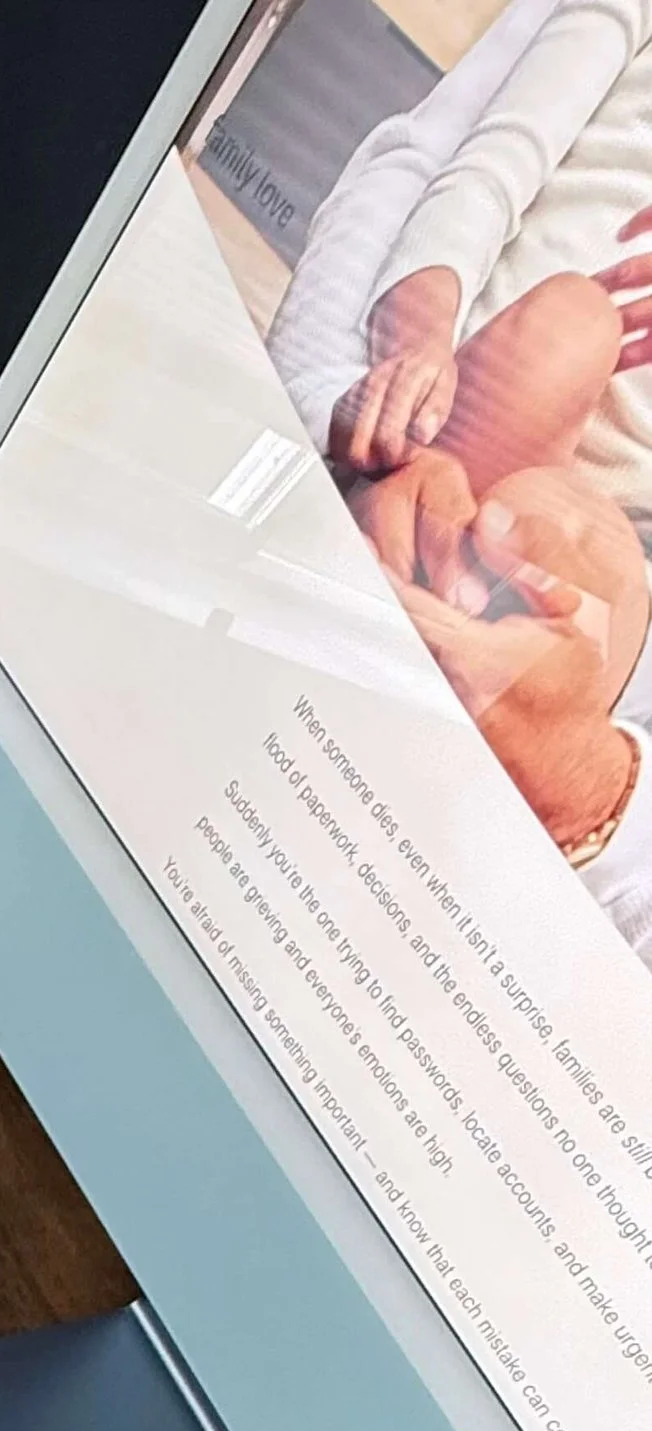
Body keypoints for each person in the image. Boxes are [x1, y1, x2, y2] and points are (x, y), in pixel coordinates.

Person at [262, 0, 652, 928]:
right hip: (460, 394)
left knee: (560, 534)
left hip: (594, 546)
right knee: (566, 330)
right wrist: (412, 345)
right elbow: (476, 154)